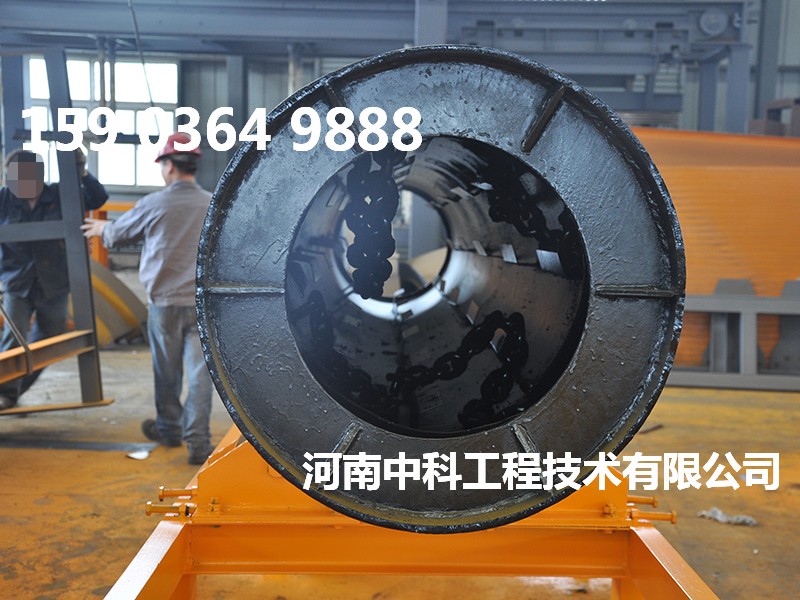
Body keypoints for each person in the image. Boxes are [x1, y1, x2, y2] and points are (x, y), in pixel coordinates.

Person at [81, 132, 213, 465]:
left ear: (169, 166)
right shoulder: (211, 203)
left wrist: (100, 229)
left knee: (166, 371)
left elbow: (116, 235)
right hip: (201, 305)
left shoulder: (155, 204)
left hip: (164, 302)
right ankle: (199, 443)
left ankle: (169, 429)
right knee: (200, 374)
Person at [0, 148, 108, 409]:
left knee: (51, 340)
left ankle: (15, 388)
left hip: (55, 281)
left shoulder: (61, 194)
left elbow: (97, 198)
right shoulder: (4, 199)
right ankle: (6, 394)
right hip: (18, 281)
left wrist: (80, 170)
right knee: (14, 338)